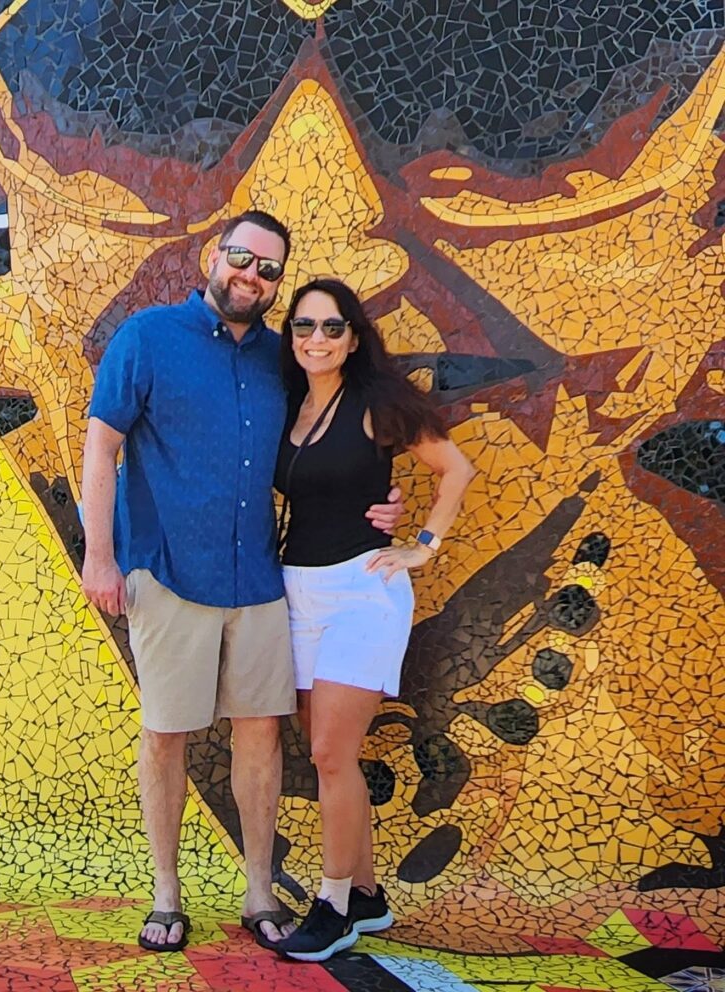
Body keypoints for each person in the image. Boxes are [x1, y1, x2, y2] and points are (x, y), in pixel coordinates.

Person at [80, 213, 402, 953]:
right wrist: (101, 556)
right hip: (167, 571)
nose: (250, 276)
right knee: (165, 735)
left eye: (267, 270)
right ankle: (167, 894)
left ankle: (260, 891)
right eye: (240, 259)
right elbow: (102, 447)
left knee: (261, 733)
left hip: (260, 577)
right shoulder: (147, 338)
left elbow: (335, 434)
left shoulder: (281, 359)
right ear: (212, 257)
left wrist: (384, 504)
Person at [271, 278, 476, 962]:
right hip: (298, 593)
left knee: (330, 754)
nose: (317, 339)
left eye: (332, 327)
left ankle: (331, 906)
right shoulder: (289, 402)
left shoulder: (376, 402)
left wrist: (422, 544)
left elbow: (455, 470)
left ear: (355, 337)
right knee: (327, 753)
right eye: (304, 326)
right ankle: (365, 892)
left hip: (363, 593)